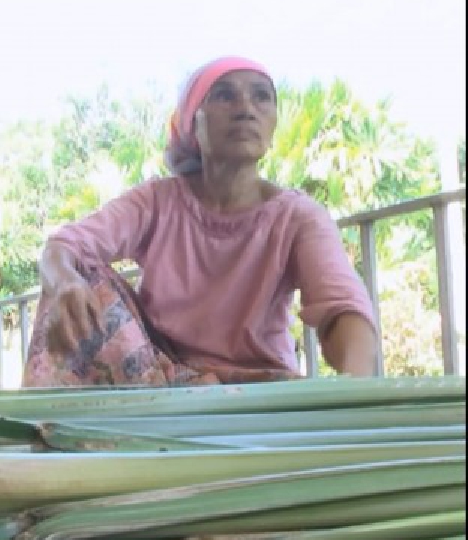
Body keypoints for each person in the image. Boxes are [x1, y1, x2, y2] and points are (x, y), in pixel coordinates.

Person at [23, 55, 379, 388]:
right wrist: (66, 281)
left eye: (261, 98)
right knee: (79, 274)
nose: (245, 110)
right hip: (163, 382)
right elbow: (64, 246)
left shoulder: (297, 216)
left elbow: (342, 308)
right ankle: (53, 433)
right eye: (225, 96)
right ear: (194, 122)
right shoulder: (157, 201)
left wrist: (355, 395)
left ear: (272, 125)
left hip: (258, 390)